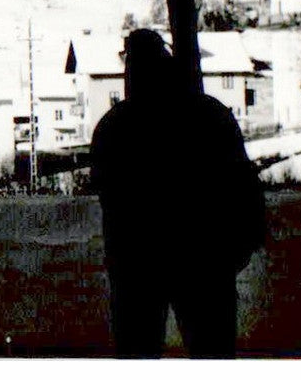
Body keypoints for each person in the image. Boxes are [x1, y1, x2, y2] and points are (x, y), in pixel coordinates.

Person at [89, 29, 266, 358]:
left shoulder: (114, 125)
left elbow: (106, 192)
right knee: (212, 352)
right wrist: (240, 247)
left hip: (138, 264)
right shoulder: (210, 114)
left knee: (139, 353)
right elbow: (244, 183)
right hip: (204, 259)